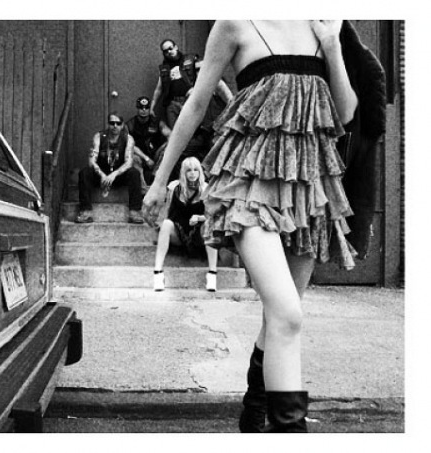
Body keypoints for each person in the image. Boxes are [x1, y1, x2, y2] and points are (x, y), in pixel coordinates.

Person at [142, 21, 360, 433]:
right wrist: (159, 180)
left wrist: (332, 44)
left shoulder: (322, 22)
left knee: (279, 315)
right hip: (248, 184)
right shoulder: (235, 22)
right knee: (288, 314)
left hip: (304, 188)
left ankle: (254, 406)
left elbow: (346, 113)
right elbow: (196, 103)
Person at [153, 157, 218, 292]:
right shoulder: (175, 188)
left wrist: (199, 218)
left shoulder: (206, 189)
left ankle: (212, 274)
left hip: (199, 235)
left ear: (200, 172)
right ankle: (158, 273)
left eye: (195, 170)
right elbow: (167, 211)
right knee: (166, 224)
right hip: (179, 232)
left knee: (209, 226)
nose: (192, 173)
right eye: (189, 170)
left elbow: (212, 216)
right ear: (184, 172)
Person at [76, 112, 144, 224]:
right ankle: (85, 211)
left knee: (134, 173)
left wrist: (113, 175)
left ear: (122, 125)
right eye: (112, 123)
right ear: (108, 124)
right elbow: (91, 161)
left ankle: (135, 212)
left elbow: (128, 162)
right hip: (101, 174)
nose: (115, 126)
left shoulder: (128, 139)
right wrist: (102, 175)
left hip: (118, 175)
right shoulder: (99, 137)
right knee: (84, 172)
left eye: (118, 123)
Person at [150, 38, 233, 129]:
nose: (169, 52)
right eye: (165, 51)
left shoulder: (191, 59)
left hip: (191, 100)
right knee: (176, 132)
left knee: (198, 128)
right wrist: (152, 107)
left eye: (170, 48)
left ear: (176, 47)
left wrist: (196, 90)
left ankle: (232, 105)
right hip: (173, 104)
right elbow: (158, 89)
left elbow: (207, 75)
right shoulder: (164, 69)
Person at [126, 96, 171, 192]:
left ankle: (155, 178)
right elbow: (129, 145)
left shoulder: (157, 122)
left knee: (168, 148)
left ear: (149, 108)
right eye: (141, 107)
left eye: (146, 108)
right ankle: (143, 188)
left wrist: (166, 144)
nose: (144, 110)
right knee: (132, 156)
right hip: (140, 157)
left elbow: (170, 135)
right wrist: (146, 158)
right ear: (137, 108)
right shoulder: (130, 124)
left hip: (155, 156)